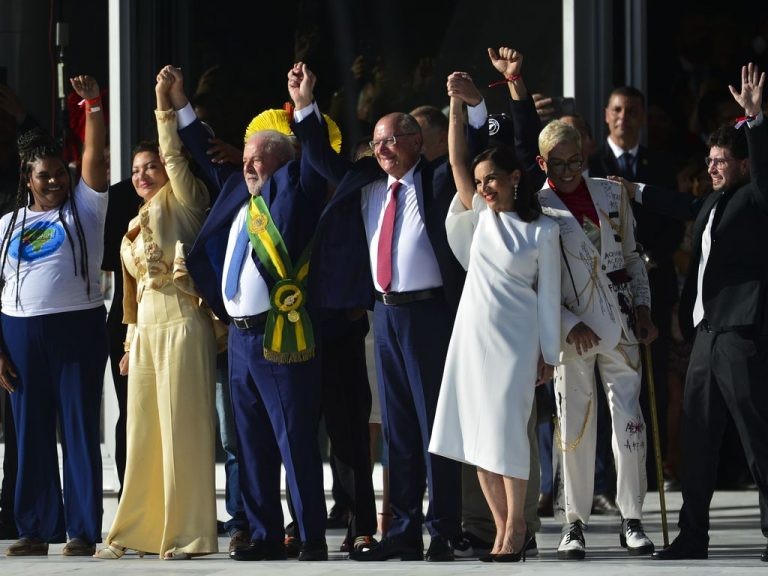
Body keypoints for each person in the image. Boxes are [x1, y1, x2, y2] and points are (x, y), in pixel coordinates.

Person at [291, 62, 487, 562]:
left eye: (392, 140)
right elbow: (317, 156)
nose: (382, 150)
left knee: (433, 427)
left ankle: (442, 528)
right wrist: (305, 104)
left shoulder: (439, 178)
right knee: (397, 430)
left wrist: (475, 106)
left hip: (429, 315)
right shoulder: (365, 181)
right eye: (377, 142)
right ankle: (402, 528)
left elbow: (478, 155)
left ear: (417, 141)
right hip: (384, 315)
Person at [178, 65, 329, 562]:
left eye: (259, 158)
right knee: (251, 443)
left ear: (284, 161)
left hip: (281, 335)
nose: (248, 165)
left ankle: (308, 536)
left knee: (294, 440)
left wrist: (304, 107)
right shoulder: (237, 196)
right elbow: (202, 153)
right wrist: (178, 105)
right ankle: (264, 535)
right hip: (239, 340)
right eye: (245, 157)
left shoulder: (296, 192)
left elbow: (314, 163)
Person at [618, 63, 768, 562]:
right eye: (710, 159)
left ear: (744, 164)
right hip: (705, 335)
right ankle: (693, 536)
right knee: (697, 442)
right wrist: (627, 189)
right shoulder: (711, 204)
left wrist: (755, 120)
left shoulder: (755, 197)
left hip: (741, 334)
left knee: (757, 436)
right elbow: (680, 205)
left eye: (723, 160)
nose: (713, 166)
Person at [428, 77, 560, 562]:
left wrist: (550, 354)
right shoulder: (480, 216)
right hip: (471, 335)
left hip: (516, 342)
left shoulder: (542, 230)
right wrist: (455, 109)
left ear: (515, 179)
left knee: (505, 433)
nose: (483, 187)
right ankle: (503, 531)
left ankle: (519, 526)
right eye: (481, 182)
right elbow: (458, 160)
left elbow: (550, 297)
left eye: (493, 180)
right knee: (474, 436)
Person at [95, 65, 218, 561]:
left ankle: (188, 534)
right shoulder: (131, 221)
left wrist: (165, 105)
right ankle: (138, 529)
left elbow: (172, 152)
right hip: (145, 331)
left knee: (183, 429)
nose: (143, 175)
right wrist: (128, 346)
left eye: (151, 167)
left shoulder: (187, 202)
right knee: (143, 430)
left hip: (185, 323)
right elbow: (130, 292)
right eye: (136, 169)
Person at [535, 119, 657, 560]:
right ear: (542, 162)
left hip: (621, 329)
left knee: (630, 425)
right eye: (557, 163)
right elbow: (538, 284)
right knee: (575, 428)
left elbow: (632, 258)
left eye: (575, 161)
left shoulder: (611, 193)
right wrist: (568, 323)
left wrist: (643, 309)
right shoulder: (537, 207)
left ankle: (632, 518)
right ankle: (574, 523)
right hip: (573, 338)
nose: (568, 171)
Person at [0, 75, 108, 557]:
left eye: (60, 174)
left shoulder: (84, 209)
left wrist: (95, 108)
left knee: (80, 427)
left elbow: (95, 161)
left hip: (76, 328)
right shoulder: (7, 224)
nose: (55, 181)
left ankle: (82, 530)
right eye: (45, 176)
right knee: (30, 431)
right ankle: (35, 527)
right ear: (28, 180)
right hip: (19, 333)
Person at [588, 86, 684, 492]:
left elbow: (674, 220)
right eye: (616, 110)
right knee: (603, 382)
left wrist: (642, 257)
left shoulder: (659, 164)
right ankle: (608, 481)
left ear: (642, 117)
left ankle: (648, 471)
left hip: (652, 282)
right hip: (603, 287)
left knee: (653, 376)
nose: (623, 117)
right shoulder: (591, 163)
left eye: (631, 110)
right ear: (606, 116)